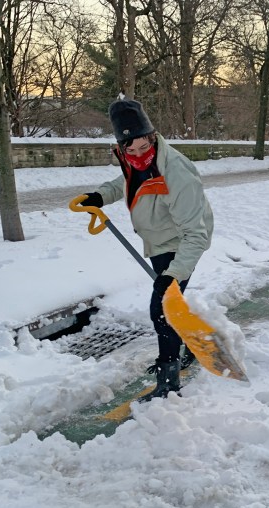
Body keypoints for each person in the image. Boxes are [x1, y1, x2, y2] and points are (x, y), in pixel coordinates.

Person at [80, 98, 214, 401]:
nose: (139, 156)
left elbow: (196, 233)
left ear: (153, 137)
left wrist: (175, 273)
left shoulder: (175, 171)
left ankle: (169, 382)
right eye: (131, 150)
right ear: (121, 147)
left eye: (144, 147)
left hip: (182, 242)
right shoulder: (132, 161)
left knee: (162, 310)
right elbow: (126, 180)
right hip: (158, 240)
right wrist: (100, 196)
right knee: (169, 305)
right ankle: (188, 349)